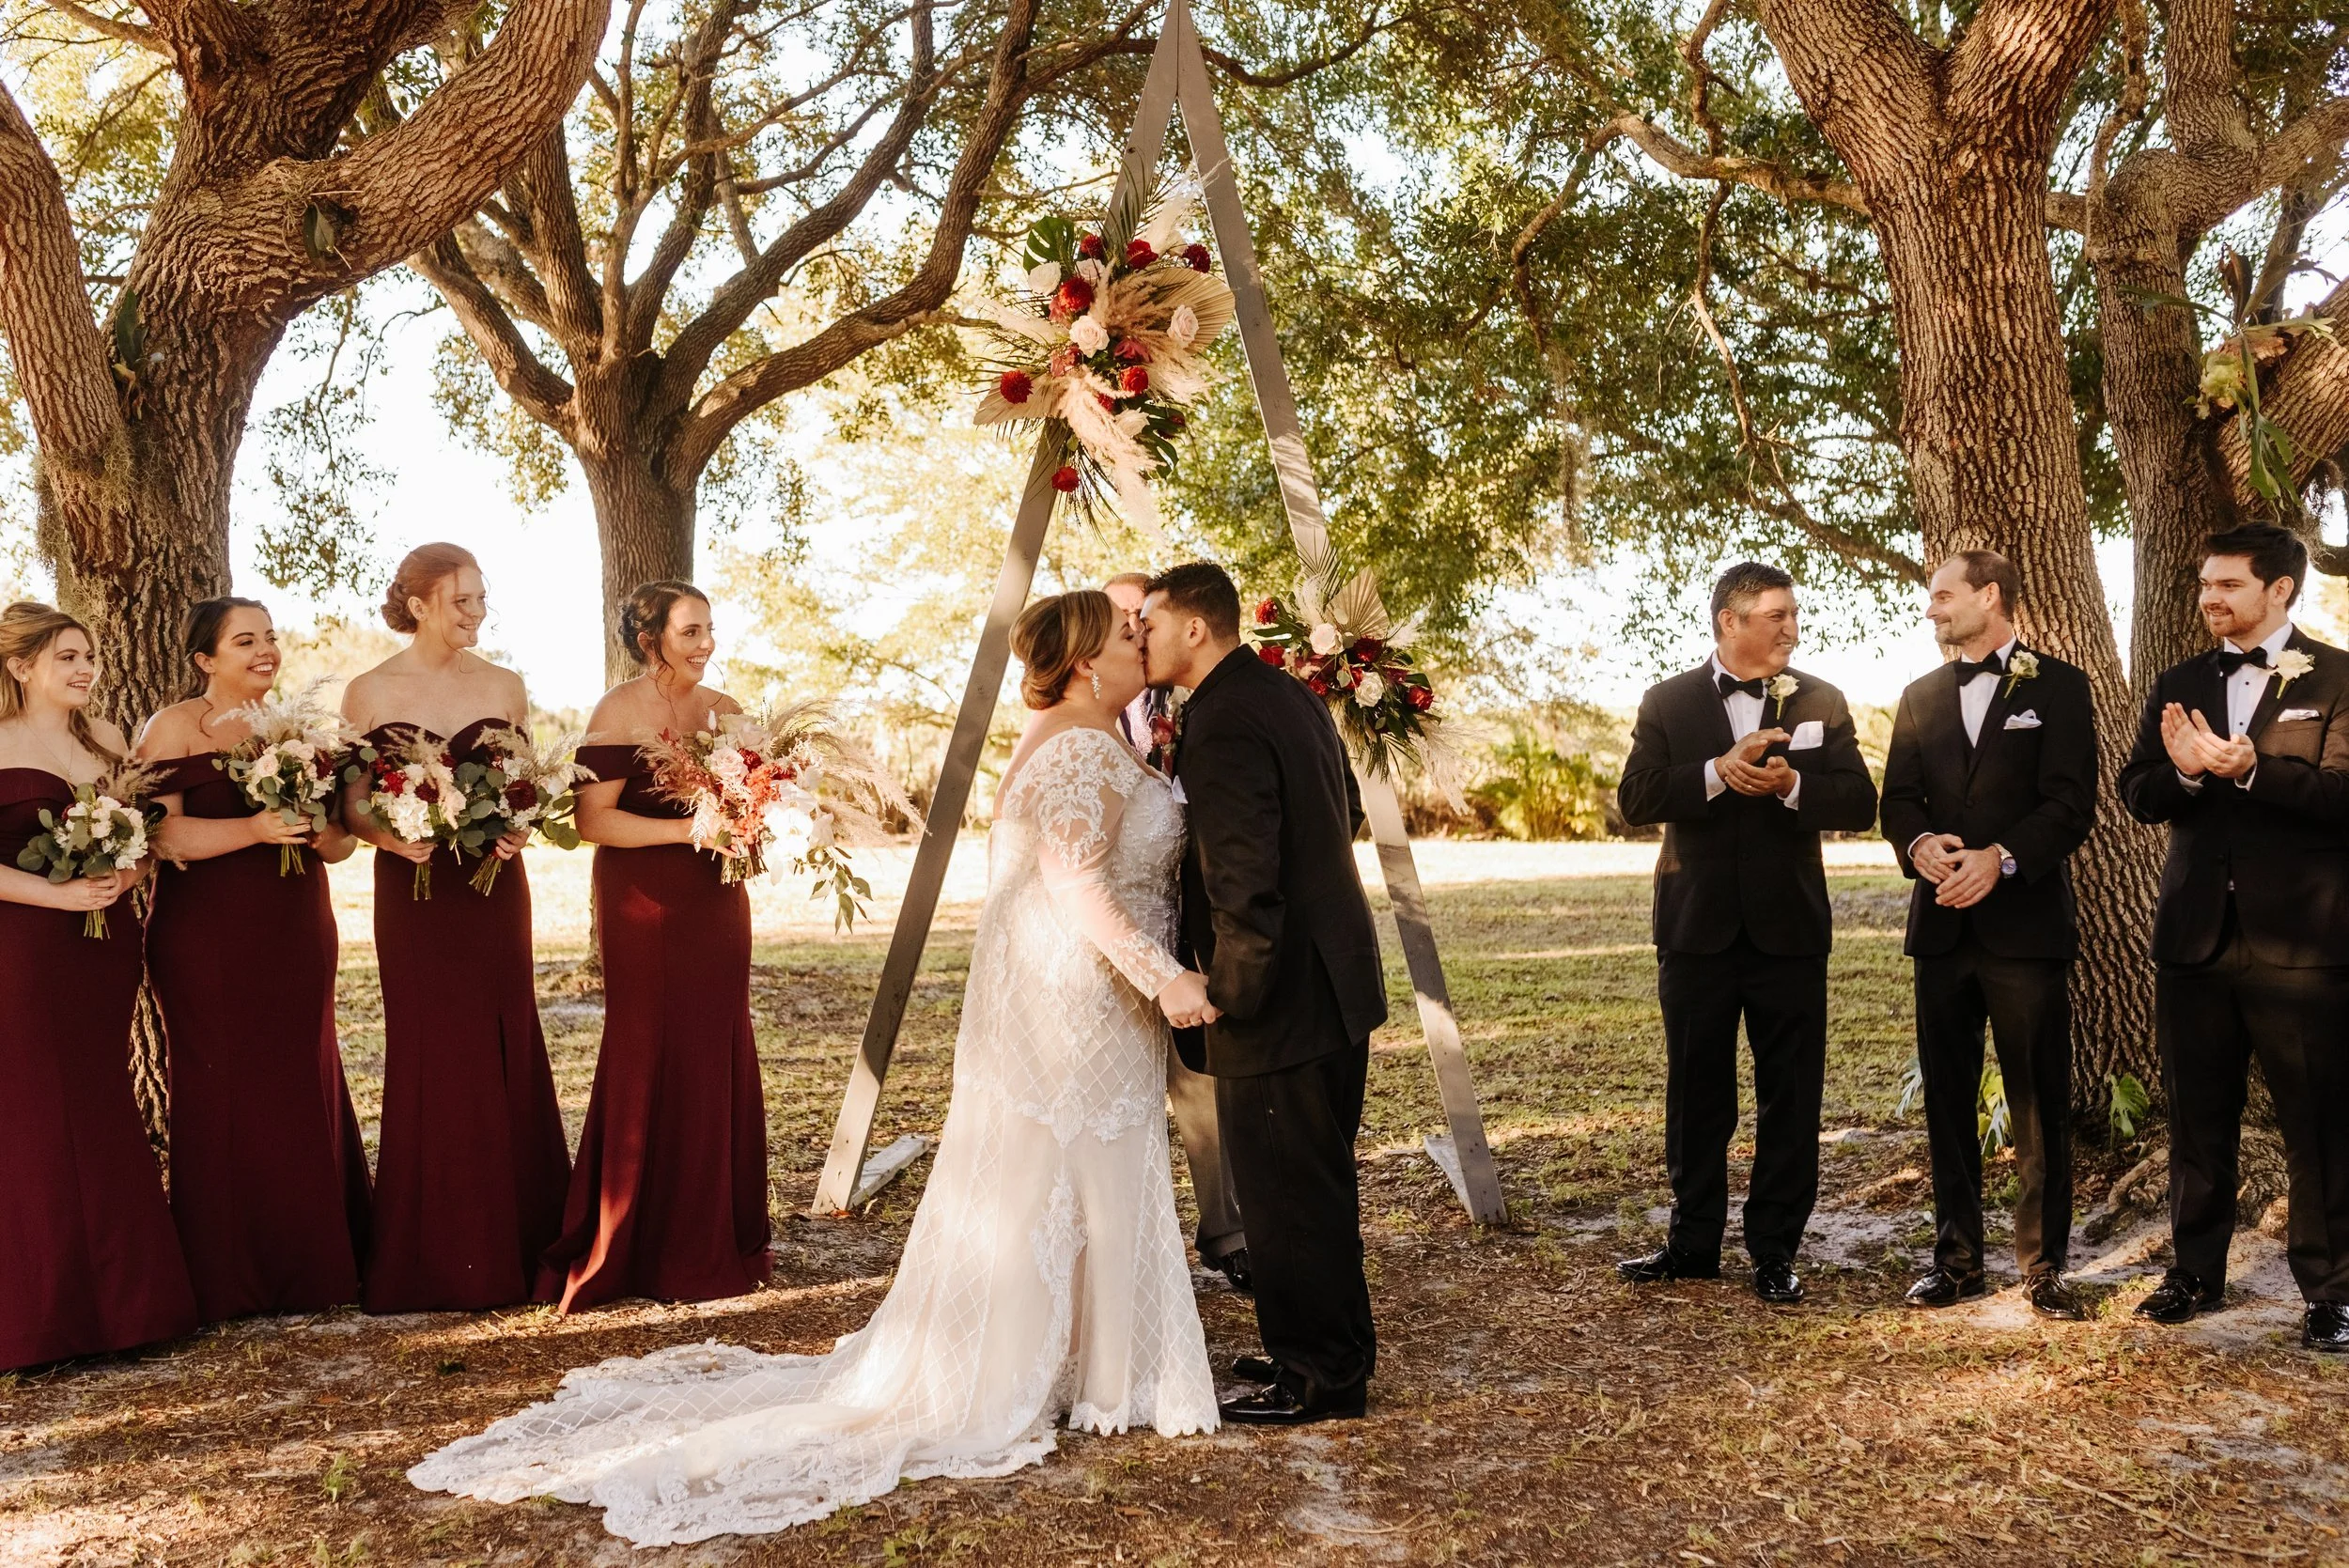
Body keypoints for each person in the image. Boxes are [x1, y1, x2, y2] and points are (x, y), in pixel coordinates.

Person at [410, 589, 1217, 1545]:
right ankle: (1085, 1368)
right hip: (1082, 994)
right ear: (1084, 661)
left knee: (1074, 1168)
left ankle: (1091, 1361)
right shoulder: (1080, 744)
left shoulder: (1088, 734)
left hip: (1083, 995)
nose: (1143, 637)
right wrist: (1166, 978)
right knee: (1072, 1163)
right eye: (1126, 631)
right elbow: (1075, 880)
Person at [1140, 561, 1385, 1426]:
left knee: (1285, 1191)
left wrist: (1227, 993)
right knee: (1313, 1184)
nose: (1141, 638)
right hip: (1334, 980)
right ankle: (1323, 1344)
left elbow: (1243, 881)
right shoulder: (1286, 695)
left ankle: (1318, 1375)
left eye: (1152, 624)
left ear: (1195, 628)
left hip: (1279, 999)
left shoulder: (1225, 720)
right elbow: (1340, 811)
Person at [1614, 562, 1878, 1305]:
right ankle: (1691, 1243)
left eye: (1793, 614)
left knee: (1790, 1096)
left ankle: (1773, 1251)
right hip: (1695, 930)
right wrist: (1713, 772)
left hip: (1790, 930)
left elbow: (1861, 800)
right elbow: (1636, 797)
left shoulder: (1821, 698)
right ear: (1729, 621)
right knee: (1697, 1094)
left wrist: (1795, 786)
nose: (1793, 628)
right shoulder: (1666, 701)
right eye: (1777, 615)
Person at [2118, 523, 2349, 1352]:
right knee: (2196, 1116)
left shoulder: (2338, 677)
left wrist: (2249, 770)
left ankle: (2330, 1291)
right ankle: (2194, 1272)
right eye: (2205, 584)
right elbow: (2137, 790)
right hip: (2195, 939)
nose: (2210, 598)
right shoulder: (2179, 680)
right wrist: (2183, 771)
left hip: (2305, 946)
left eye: (2228, 585)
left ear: (2280, 589)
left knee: (2319, 1123)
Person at [342, 543, 569, 1313]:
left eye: (481, 599)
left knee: (505, 1035)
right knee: (430, 1043)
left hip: (493, 889)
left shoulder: (505, 686)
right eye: (462, 601)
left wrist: (520, 829)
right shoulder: (368, 691)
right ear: (417, 605)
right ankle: (430, 1249)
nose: (477, 613)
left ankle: (521, 1236)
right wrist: (385, 834)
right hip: (412, 889)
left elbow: (526, 789)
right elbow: (352, 803)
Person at [538, 581, 770, 1312]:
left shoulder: (726, 712)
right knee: (648, 1043)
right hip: (643, 898)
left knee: (717, 1042)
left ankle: (714, 1231)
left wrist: (754, 825)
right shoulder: (617, 711)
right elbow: (592, 821)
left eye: (709, 629)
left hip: (716, 901)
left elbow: (752, 799)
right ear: (651, 640)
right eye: (690, 631)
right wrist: (683, 831)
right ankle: (635, 1231)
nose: (706, 643)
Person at [138, 597, 371, 1322]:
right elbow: (162, 840)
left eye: (269, 638)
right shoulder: (173, 727)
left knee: (303, 1074)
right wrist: (255, 826)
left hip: (296, 924)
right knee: (221, 1086)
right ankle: (227, 1274)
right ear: (206, 658)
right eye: (246, 641)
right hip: (206, 935)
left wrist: (320, 830)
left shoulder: (297, 729)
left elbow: (337, 840)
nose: (265, 650)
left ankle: (315, 1264)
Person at [1879, 553, 2095, 1321]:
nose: (1932, 609)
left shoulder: (2060, 687)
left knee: (2039, 1098)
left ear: (1989, 596)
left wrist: (1999, 860)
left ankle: (2042, 1265)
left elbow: (2071, 805)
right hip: (1939, 927)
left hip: (2025, 928)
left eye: (1943, 596)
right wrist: (1922, 847)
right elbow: (1897, 800)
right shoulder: (1918, 696)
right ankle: (1957, 1261)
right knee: (1947, 1096)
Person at [0, 601, 197, 1369]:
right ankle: (39, 1316)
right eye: (68, 657)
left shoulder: (109, 741)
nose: (86, 669)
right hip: (22, 944)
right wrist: (56, 894)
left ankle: (128, 1307)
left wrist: (125, 870)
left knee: (99, 1097)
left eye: (90, 656)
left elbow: (146, 840)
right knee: (33, 1110)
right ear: (21, 667)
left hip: (104, 941)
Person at [1104, 568, 1249, 1292]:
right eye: (1123, 620)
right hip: (1114, 924)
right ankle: (1127, 1246)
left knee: (1199, 1082)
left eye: (1143, 618)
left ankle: (1228, 1231)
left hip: (1186, 915)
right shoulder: (1088, 715)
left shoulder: (1198, 700)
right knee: (1117, 1090)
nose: (1136, 631)